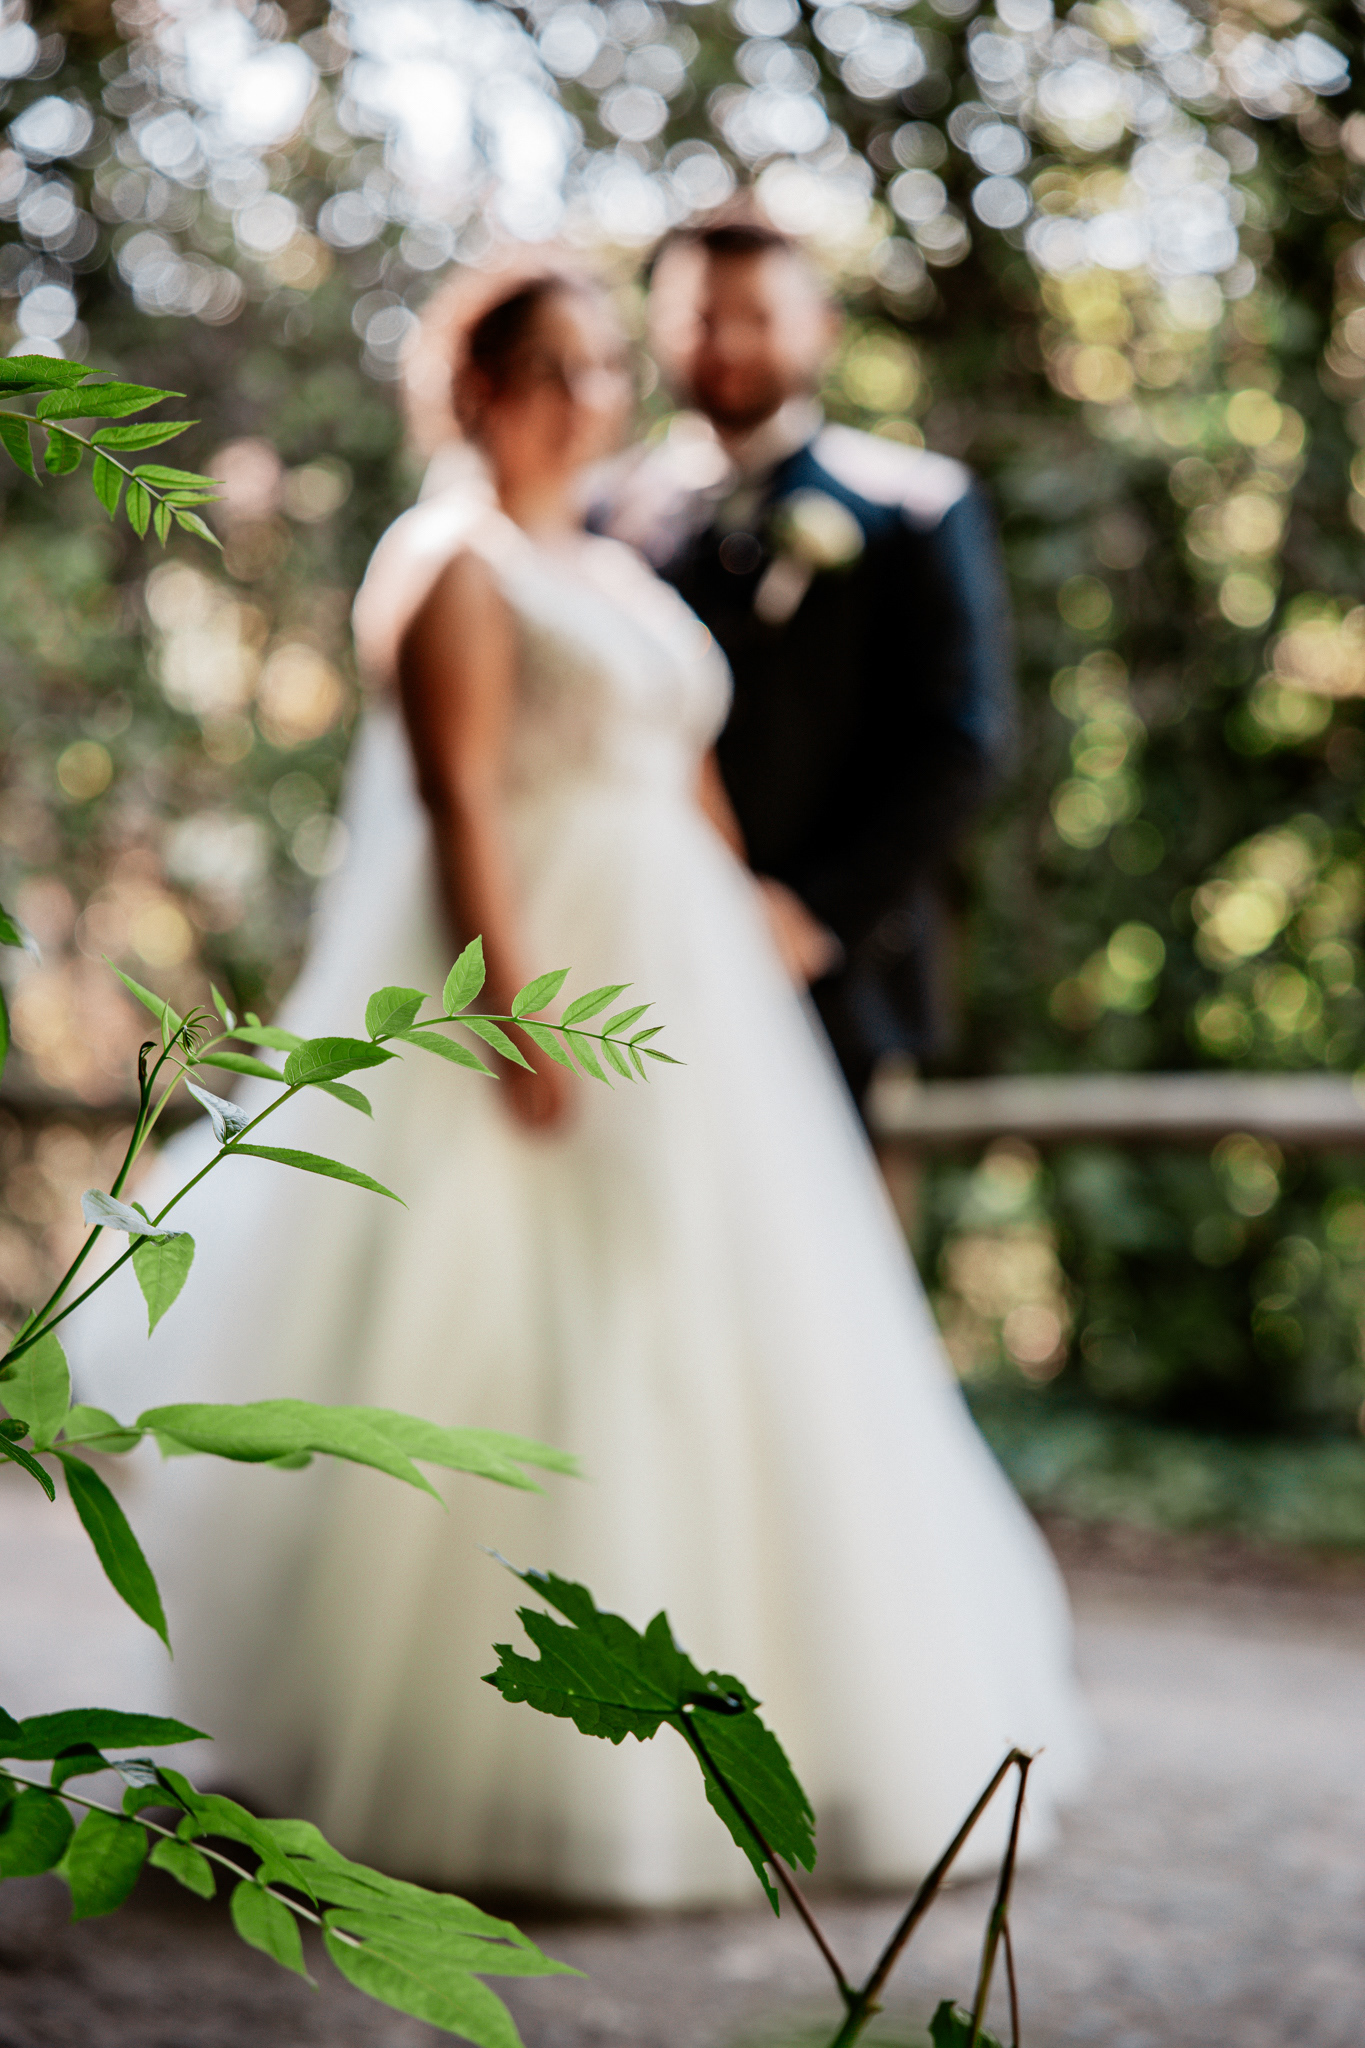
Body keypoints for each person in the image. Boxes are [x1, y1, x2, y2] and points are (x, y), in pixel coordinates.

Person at [74, 255, 1088, 1904]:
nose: (581, 391)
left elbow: (689, 779)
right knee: (544, 1334)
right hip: (545, 990)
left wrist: (750, 951)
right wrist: (515, 1018)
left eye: (600, 362)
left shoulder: (605, 558)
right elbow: (464, 804)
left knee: (735, 1335)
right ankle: (523, 1761)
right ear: (470, 386)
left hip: (701, 1003)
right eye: (544, 364)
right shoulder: (450, 560)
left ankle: (785, 1720)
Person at [596, 213, 1015, 1108]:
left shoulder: (915, 509)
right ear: (661, 329)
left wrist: (811, 916)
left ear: (820, 326)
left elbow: (958, 740)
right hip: (625, 982)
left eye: (758, 313)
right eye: (702, 316)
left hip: (839, 985)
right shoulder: (598, 519)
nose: (730, 340)